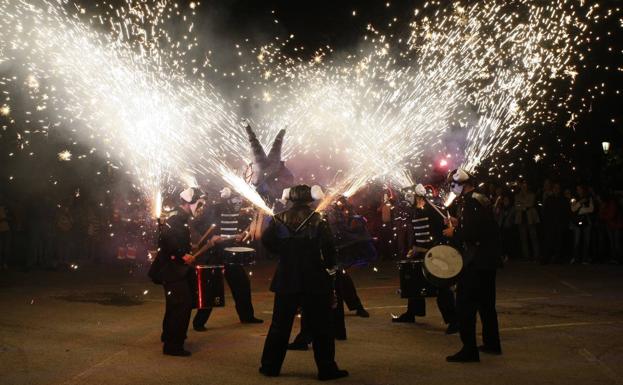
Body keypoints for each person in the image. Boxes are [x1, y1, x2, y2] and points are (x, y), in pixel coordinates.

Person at [259, 185, 348, 380]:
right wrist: (331, 269)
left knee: (279, 325)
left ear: (289, 197)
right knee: (321, 326)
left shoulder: (278, 218)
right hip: (314, 278)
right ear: (311, 198)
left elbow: (266, 240)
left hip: (286, 277)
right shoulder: (319, 219)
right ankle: (326, 369)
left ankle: (269, 366)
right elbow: (329, 248)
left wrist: (282, 251)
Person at [443, 169, 502, 363]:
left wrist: (455, 232)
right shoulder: (481, 198)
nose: (452, 188)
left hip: (476, 261)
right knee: (486, 305)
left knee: (465, 306)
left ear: (462, 183)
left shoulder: (470, 201)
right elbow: (481, 226)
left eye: (453, 184)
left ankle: (469, 350)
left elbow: (473, 234)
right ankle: (492, 343)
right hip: (488, 260)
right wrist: (459, 223)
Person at [192, 187, 263, 330]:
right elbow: (196, 225)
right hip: (214, 254)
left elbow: (241, 228)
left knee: (242, 284)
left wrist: (240, 235)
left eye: (240, 200)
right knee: (211, 288)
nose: (239, 203)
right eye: (236, 200)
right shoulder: (214, 209)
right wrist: (210, 238)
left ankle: (247, 316)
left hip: (231, 253)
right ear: (228, 199)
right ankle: (199, 322)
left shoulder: (239, 211)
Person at [392, 184, 458, 334]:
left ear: (418, 196)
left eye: (410, 195)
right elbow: (418, 232)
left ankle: (454, 320)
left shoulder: (433, 210)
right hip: (422, 252)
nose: (407, 198)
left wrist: (431, 249)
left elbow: (443, 232)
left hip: (436, 253)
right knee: (414, 282)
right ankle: (412, 313)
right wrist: (414, 247)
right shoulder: (416, 211)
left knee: (442, 288)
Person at [148, 187, 205, 357]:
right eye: (200, 204)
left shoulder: (182, 217)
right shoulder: (176, 218)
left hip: (176, 269)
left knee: (176, 305)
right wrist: (181, 254)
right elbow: (164, 238)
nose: (202, 207)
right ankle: (173, 345)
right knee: (181, 305)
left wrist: (188, 248)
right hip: (172, 270)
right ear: (189, 203)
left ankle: (169, 336)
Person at [542, 182, 570, 264]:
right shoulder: (549, 199)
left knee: (559, 242)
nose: (556, 189)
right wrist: (546, 223)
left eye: (558, 188)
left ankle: (557, 259)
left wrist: (564, 223)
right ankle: (546, 258)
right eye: (555, 188)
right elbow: (545, 212)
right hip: (550, 224)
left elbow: (566, 212)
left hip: (560, 224)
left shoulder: (563, 200)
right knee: (549, 241)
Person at [514, 180, 540, 260]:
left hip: (530, 218)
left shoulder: (532, 195)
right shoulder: (517, 195)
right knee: (523, 238)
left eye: (525, 186)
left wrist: (521, 204)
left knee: (533, 237)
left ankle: (536, 255)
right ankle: (526, 256)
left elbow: (530, 203)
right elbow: (516, 205)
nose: (524, 187)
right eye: (522, 186)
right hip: (521, 219)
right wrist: (524, 206)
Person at [570, 184, 594, 264]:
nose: (578, 190)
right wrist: (580, 202)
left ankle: (585, 258)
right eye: (577, 189)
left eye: (580, 189)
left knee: (586, 241)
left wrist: (581, 210)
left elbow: (591, 209)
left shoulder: (588, 198)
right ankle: (576, 258)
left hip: (587, 222)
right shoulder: (574, 198)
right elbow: (573, 209)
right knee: (576, 241)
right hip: (577, 222)